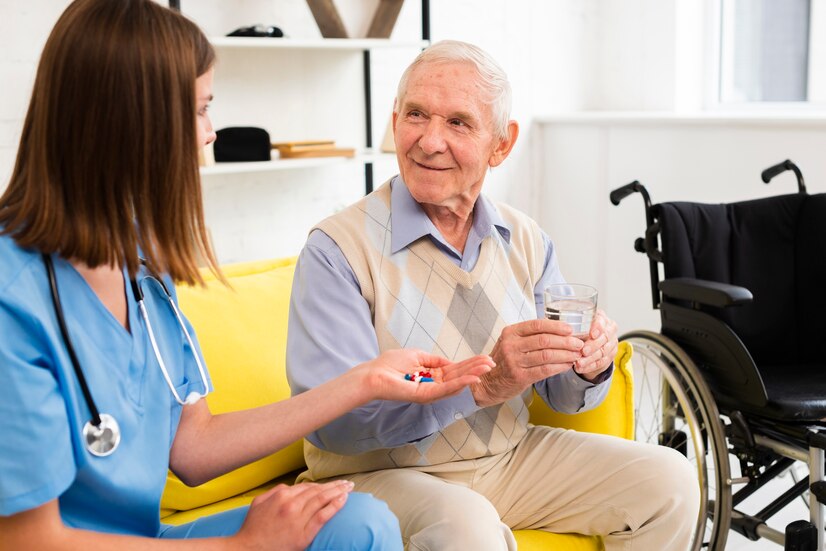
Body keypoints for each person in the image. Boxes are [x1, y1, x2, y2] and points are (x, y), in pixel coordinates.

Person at [0, 4, 494, 549]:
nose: (210, 134)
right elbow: (27, 539)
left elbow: (193, 447)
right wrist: (240, 545)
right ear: (132, 122)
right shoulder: (13, 298)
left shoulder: (138, 268)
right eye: (201, 109)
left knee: (357, 522)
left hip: (144, 537)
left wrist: (365, 381)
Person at [287, 40, 701, 550]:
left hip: (509, 458)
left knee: (670, 483)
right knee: (465, 524)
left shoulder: (524, 238)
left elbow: (564, 398)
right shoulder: (337, 250)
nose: (430, 141)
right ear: (395, 121)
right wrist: (479, 387)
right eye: (416, 114)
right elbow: (334, 426)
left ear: (501, 144)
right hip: (374, 473)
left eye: (458, 123)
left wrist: (587, 365)